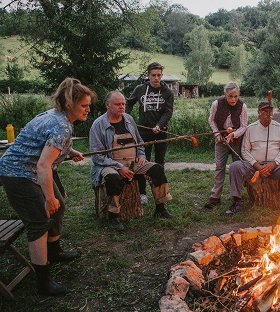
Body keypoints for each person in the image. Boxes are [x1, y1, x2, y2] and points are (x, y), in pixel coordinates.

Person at [0, 78, 95, 296]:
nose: (88, 109)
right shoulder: (61, 125)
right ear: (70, 104)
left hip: (31, 170)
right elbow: (44, 165)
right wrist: (48, 198)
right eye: (84, 105)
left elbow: (47, 143)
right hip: (18, 174)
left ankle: (54, 252)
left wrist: (70, 152)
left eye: (89, 105)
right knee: (39, 222)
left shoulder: (58, 117)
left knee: (58, 205)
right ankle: (43, 282)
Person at [90, 91, 172, 231]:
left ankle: (160, 207)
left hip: (133, 161)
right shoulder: (98, 125)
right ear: (107, 105)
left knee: (157, 169)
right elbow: (97, 156)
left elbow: (139, 142)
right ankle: (114, 217)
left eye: (123, 104)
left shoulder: (128, 119)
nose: (122, 107)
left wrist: (141, 155)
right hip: (109, 164)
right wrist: (119, 167)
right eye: (117, 104)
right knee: (113, 179)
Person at [227, 101, 280, 216]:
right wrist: (257, 166)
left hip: (275, 167)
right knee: (235, 167)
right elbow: (245, 150)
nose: (268, 114)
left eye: (270, 111)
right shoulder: (251, 128)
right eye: (265, 111)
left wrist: (274, 163)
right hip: (254, 167)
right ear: (259, 112)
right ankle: (237, 201)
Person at [125, 62, 174, 205]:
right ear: (148, 75)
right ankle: (142, 193)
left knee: (159, 162)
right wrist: (126, 117)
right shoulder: (140, 89)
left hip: (161, 131)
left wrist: (159, 124)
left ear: (162, 75)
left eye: (159, 75)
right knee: (141, 162)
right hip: (143, 132)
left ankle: (160, 194)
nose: (156, 78)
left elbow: (168, 111)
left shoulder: (167, 92)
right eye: (153, 75)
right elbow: (129, 103)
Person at [204, 82, 248, 209]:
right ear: (225, 94)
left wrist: (234, 135)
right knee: (219, 168)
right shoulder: (216, 104)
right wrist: (217, 133)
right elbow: (211, 120)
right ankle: (215, 196)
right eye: (230, 96)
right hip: (220, 140)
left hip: (236, 141)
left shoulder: (243, 106)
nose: (233, 99)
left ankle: (237, 197)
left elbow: (244, 126)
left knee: (237, 168)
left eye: (236, 96)